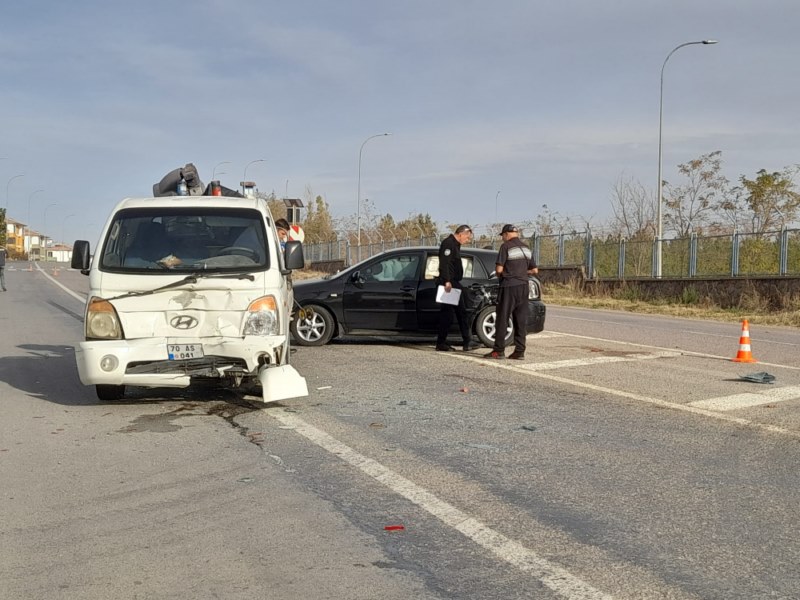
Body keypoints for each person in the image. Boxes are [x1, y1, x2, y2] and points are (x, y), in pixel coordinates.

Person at [485, 224, 538, 360]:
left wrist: (507, 274)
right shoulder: (526, 248)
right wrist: (521, 272)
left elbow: (498, 270)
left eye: (502, 235)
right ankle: (520, 351)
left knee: (502, 318)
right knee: (520, 319)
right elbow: (534, 270)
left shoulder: (506, 247)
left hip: (508, 286)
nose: (502, 238)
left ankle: (498, 351)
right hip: (523, 286)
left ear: (506, 234)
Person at [435, 224, 480, 352]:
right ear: (462, 234)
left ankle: (463, 341)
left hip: (453, 282)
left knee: (457, 313)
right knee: (452, 314)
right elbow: (445, 264)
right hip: (449, 284)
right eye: (467, 238)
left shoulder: (455, 244)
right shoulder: (448, 244)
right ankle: (456, 341)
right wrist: (447, 281)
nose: (467, 240)